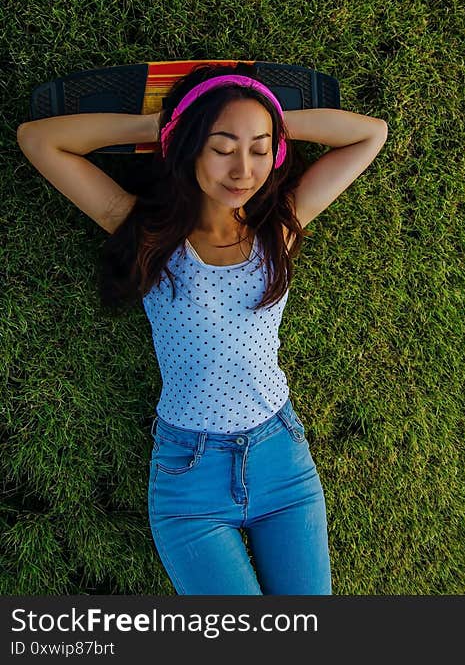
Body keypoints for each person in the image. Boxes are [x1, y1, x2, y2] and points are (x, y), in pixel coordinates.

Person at [16, 62, 388, 594]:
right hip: (191, 482)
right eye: (221, 146)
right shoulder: (150, 236)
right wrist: (158, 127)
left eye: (260, 149)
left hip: (280, 459)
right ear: (189, 147)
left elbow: (369, 134)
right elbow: (39, 140)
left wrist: (273, 119)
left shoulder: (277, 229)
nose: (243, 168)